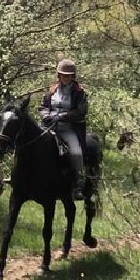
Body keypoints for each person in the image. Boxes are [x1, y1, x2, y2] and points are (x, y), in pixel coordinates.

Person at [40, 58, 87, 199]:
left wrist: (62, 116)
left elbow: (81, 112)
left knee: (77, 153)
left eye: (68, 75)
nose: (66, 78)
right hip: (49, 127)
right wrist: (46, 115)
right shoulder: (52, 90)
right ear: (58, 75)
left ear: (73, 76)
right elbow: (43, 106)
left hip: (67, 129)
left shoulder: (79, 92)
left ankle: (78, 185)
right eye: (63, 75)